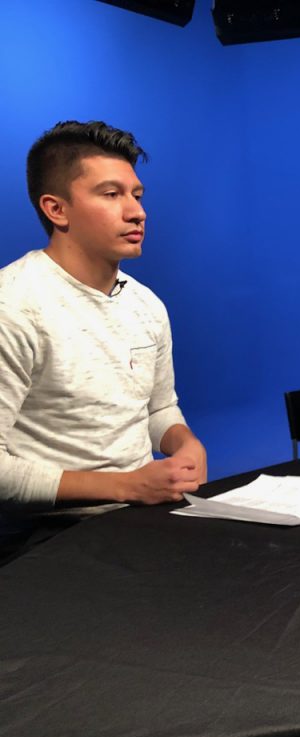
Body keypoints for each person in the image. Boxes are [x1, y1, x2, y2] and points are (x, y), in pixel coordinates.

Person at [0, 120, 206, 558]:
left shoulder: (146, 305)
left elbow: (158, 407)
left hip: (139, 515)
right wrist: (127, 485)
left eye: (137, 195)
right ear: (57, 210)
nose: (137, 212)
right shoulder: (14, 306)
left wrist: (184, 442)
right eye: (111, 195)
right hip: (42, 535)